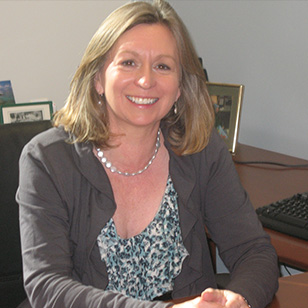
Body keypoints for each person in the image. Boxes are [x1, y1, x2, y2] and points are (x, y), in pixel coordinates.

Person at [17, 1, 279, 307]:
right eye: (129, 62)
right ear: (98, 78)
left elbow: (254, 252)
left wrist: (239, 300)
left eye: (163, 66)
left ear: (180, 85)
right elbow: (47, 287)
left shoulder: (200, 149)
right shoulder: (47, 160)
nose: (146, 80)